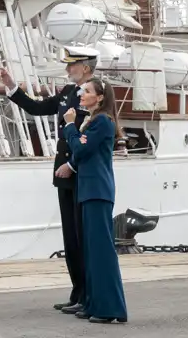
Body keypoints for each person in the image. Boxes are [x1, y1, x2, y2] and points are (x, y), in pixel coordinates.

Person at [0, 47, 94, 312]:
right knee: (70, 238)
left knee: (80, 234)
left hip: (78, 172)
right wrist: (12, 88)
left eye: (72, 66)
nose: (67, 70)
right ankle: (77, 293)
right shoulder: (66, 93)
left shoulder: (94, 95)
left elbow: (88, 137)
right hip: (62, 172)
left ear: (85, 67)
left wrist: (72, 166)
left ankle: (88, 295)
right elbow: (38, 108)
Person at [62, 78, 128, 324]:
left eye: (87, 91)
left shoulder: (102, 121)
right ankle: (95, 303)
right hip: (90, 191)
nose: (81, 94)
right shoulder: (95, 121)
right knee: (91, 251)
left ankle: (110, 307)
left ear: (100, 97)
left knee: (101, 251)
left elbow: (81, 150)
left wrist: (70, 127)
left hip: (97, 192)